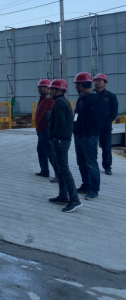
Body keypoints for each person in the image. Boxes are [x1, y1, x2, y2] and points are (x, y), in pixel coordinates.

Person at [47, 79, 82, 213]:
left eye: (52, 90)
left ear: (59, 90)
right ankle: (63, 196)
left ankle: (74, 200)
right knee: (60, 169)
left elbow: (60, 122)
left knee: (64, 169)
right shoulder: (62, 101)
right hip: (62, 139)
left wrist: (55, 137)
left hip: (61, 140)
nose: (50, 92)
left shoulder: (59, 103)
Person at [73, 72, 102, 200]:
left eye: (77, 84)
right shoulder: (81, 99)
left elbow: (94, 119)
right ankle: (86, 185)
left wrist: (87, 134)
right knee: (81, 162)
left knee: (91, 163)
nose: (75, 87)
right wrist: (74, 126)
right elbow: (76, 114)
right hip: (79, 135)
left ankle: (94, 190)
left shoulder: (94, 99)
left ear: (82, 85)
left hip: (89, 137)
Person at [94, 73, 118, 175]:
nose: (97, 82)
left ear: (105, 82)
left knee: (107, 148)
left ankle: (107, 167)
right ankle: (92, 166)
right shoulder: (91, 95)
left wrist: (108, 120)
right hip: (93, 127)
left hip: (105, 127)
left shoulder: (111, 96)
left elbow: (114, 110)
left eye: (100, 81)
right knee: (91, 148)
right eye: (96, 81)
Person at [34, 79, 57, 182]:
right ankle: (44, 171)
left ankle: (58, 174)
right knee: (41, 150)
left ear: (47, 88)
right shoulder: (43, 98)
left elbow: (46, 114)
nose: (39, 89)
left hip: (45, 130)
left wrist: (40, 123)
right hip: (41, 130)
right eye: (39, 87)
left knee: (49, 151)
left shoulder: (48, 99)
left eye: (41, 87)